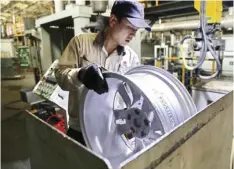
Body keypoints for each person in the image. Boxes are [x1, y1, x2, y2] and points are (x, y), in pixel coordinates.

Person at [55, 0, 151, 145]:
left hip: (111, 133)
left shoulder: (131, 58)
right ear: (113, 20)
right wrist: (81, 74)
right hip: (80, 130)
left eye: (136, 30)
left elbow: (133, 95)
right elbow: (61, 76)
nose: (133, 34)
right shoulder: (81, 44)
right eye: (130, 27)